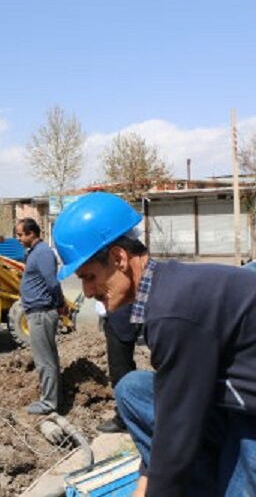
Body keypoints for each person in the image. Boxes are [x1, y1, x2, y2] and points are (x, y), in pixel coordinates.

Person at [53, 191, 256, 496]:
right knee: (132, 388)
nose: (88, 290)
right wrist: (149, 477)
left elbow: (178, 426)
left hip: (250, 412)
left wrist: (153, 487)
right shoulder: (162, 291)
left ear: (119, 258)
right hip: (230, 398)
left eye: (90, 277)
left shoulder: (174, 312)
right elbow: (172, 406)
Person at [15, 217, 65, 415]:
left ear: (31, 233)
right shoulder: (35, 253)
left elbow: (52, 283)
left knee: (44, 360)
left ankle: (49, 403)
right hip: (37, 312)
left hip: (42, 313)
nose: (18, 238)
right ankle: (52, 398)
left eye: (20, 234)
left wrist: (60, 304)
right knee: (47, 358)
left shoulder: (43, 253)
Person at [94, 300, 139, 433]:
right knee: (122, 368)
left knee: (120, 371)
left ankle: (124, 419)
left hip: (120, 320)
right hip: (117, 318)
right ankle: (128, 413)